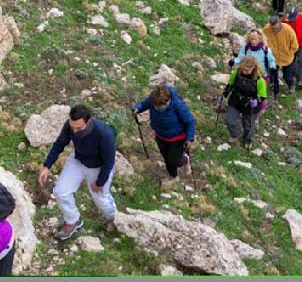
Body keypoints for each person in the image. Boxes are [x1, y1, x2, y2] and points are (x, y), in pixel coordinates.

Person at [37, 104, 117, 241]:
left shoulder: (104, 134)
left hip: (99, 166)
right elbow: (59, 144)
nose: (74, 131)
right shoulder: (70, 125)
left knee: (100, 197)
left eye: (79, 128)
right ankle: (73, 220)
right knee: (60, 191)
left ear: (89, 121)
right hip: (78, 159)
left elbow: (109, 162)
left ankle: (114, 219)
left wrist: (100, 182)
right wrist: (46, 166)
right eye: (72, 126)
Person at [132, 85, 196, 189]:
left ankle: (184, 160)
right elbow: (144, 104)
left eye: (159, 106)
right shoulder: (154, 99)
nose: (157, 108)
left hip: (177, 137)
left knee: (173, 160)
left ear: (167, 102)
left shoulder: (177, 105)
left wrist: (189, 138)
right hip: (160, 135)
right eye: (155, 106)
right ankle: (173, 175)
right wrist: (137, 108)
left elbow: (190, 121)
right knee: (166, 156)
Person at [219, 56, 268, 148]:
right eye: (242, 69)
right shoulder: (237, 73)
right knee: (230, 120)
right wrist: (224, 95)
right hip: (236, 100)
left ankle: (248, 140)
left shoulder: (260, 80)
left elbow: (263, 95)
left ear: (253, 68)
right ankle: (236, 134)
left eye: (246, 70)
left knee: (248, 126)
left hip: (250, 105)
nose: (244, 72)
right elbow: (230, 85)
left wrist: (257, 101)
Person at [262, 15, 300, 98]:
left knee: (287, 76)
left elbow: (295, 45)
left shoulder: (288, 30)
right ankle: (276, 92)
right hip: (273, 59)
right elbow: (263, 40)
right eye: (272, 28)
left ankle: (291, 85)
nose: (274, 30)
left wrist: (290, 53)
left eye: (276, 28)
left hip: (287, 58)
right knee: (273, 77)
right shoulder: (266, 29)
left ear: (279, 23)